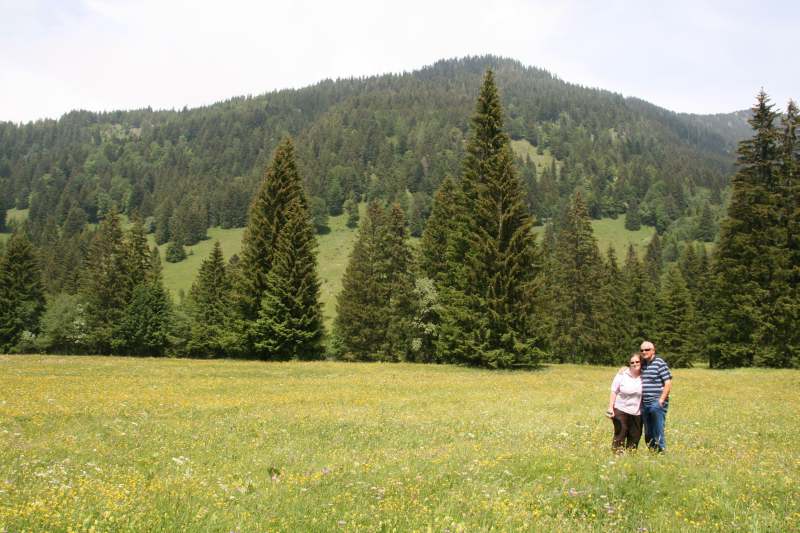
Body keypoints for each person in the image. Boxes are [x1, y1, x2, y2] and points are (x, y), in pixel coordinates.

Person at [639, 341, 672, 452]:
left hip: (656, 402)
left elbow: (668, 382)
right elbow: (631, 366)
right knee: (648, 431)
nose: (644, 352)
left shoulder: (659, 363)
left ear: (653, 350)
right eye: (642, 350)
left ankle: (661, 451)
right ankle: (652, 452)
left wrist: (661, 401)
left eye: (647, 349)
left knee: (658, 429)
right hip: (645, 403)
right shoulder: (643, 364)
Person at [606, 353, 643, 451]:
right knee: (620, 434)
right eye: (632, 362)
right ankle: (617, 456)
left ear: (641, 362)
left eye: (637, 362)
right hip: (620, 409)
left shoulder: (645, 375)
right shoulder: (622, 374)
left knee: (635, 437)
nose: (635, 364)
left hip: (637, 412)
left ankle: (630, 457)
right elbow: (614, 391)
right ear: (629, 364)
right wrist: (610, 408)